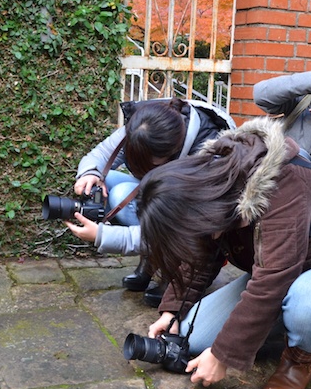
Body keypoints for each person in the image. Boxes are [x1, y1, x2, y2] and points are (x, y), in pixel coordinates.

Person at [135, 116, 311, 389]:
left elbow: (273, 279)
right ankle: (284, 317)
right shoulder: (209, 186)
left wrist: (223, 356)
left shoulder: (284, 184)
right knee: (191, 336)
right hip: (285, 268)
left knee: (310, 302)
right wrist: (172, 310)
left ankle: (300, 357)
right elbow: (203, 252)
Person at [66, 98, 235, 302]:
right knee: (107, 181)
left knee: (126, 197)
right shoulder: (147, 122)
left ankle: (177, 272)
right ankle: (151, 260)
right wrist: (89, 174)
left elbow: (185, 229)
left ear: (171, 152)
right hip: (165, 195)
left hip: (196, 224)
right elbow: (102, 153)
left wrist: (104, 236)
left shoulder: (208, 153)